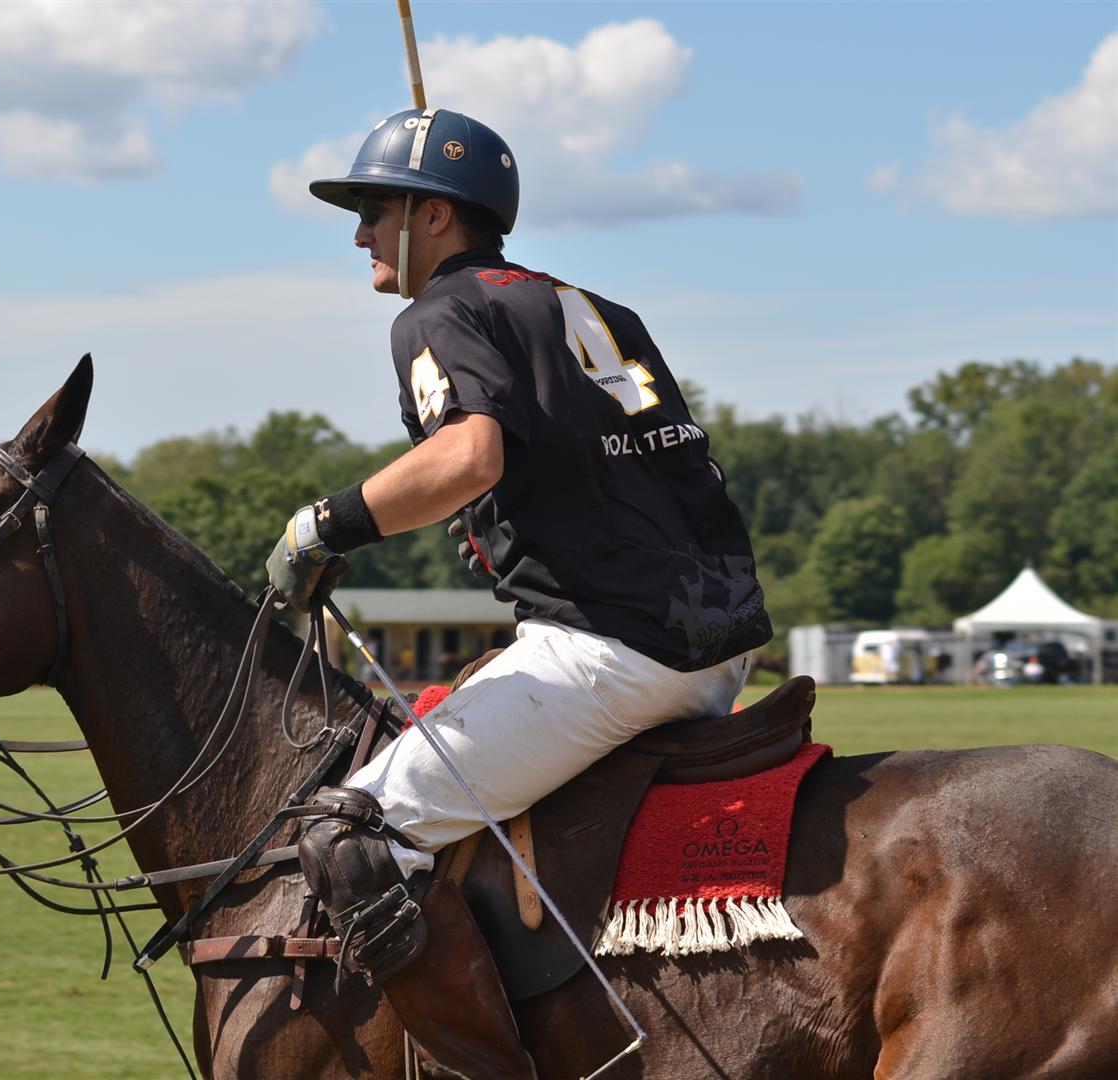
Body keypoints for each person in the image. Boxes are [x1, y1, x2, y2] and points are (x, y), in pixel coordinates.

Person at [266, 107, 772, 1076]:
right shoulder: (590, 307)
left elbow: (470, 455)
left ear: (435, 216)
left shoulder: (438, 314)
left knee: (352, 833)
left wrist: (325, 525)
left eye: (375, 210)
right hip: (712, 646)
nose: (359, 233)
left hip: (612, 650)